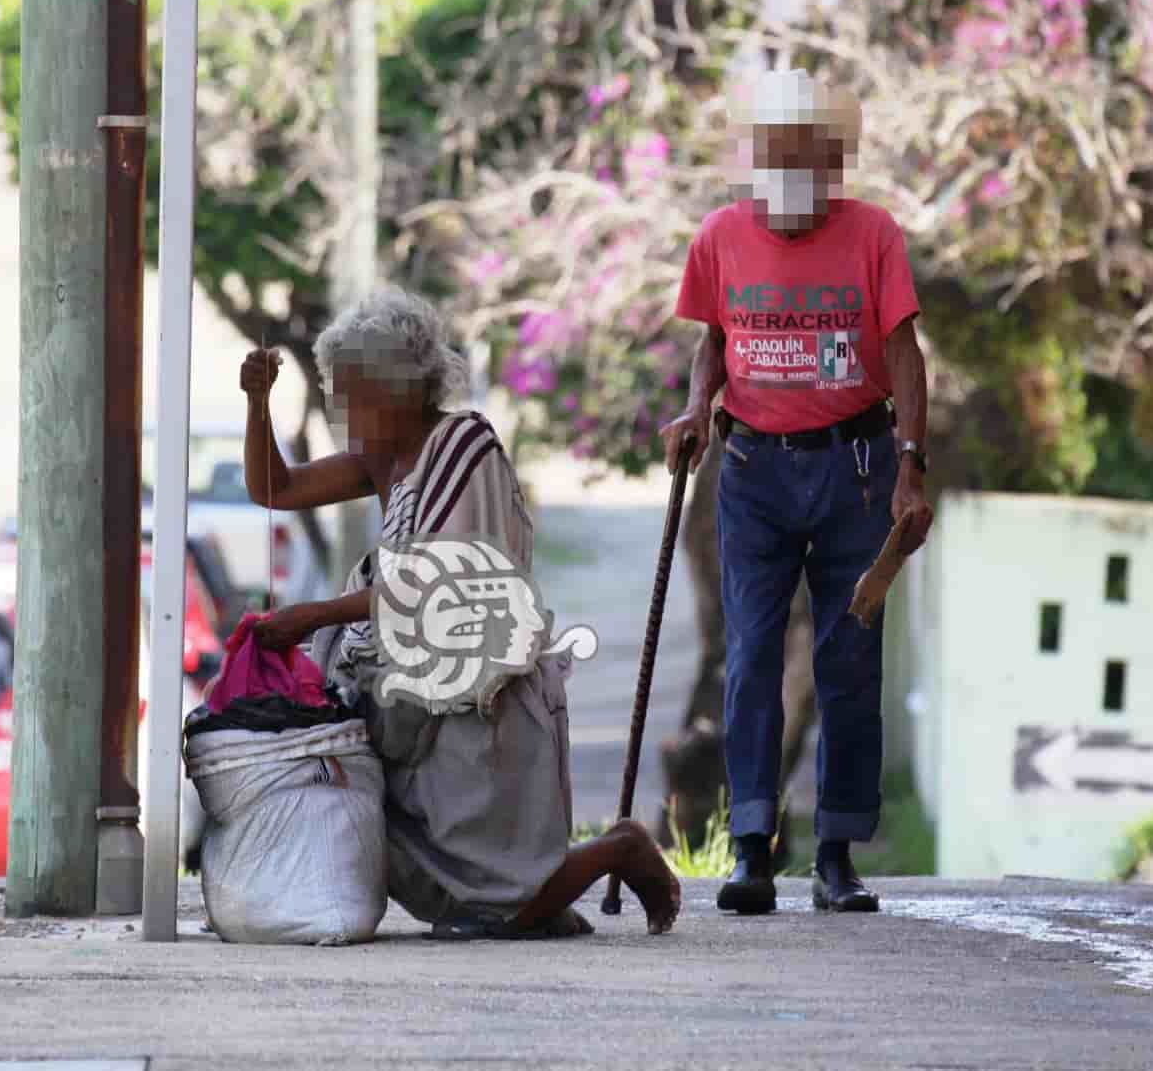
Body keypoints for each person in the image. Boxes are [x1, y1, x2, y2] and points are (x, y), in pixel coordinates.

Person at [239, 285, 680, 939]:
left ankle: (622, 850)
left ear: (403, 388)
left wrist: (311, 616)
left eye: (358, 394)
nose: (348, 411)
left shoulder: (461, 444)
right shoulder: (379, 461)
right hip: (409, 703)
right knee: (458, 892)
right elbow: (275, 487)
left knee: (496, 899)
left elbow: (442, 579)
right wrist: (257, 403)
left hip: (477, 705)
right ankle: (570, 888)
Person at [661, 69, 934, 915]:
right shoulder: (719, 234)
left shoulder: (873, 234)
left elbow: (903, 355)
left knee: (848, 660)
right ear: (758, 157)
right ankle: (751, 851)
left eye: (805, 156)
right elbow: (716, 339)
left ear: (830, 160)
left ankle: (838, 856)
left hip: (855, 470)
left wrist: (911, 464)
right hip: (752, 473)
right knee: (749, 658)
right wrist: (697, 406)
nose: (788, 173)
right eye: (773, 153)